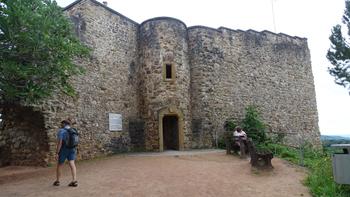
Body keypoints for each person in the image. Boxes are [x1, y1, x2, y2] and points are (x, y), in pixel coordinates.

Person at [53, 119, 78, 187]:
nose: (61, 125)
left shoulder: (61, 131)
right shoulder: (73, 130)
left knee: (60, 165)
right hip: (72, 148)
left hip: (64, 149)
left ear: (64, 124)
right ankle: (74, 180)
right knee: (72, 163)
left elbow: (60, 143)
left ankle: (57, 181)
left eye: (61, 124)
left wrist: (57, 153)